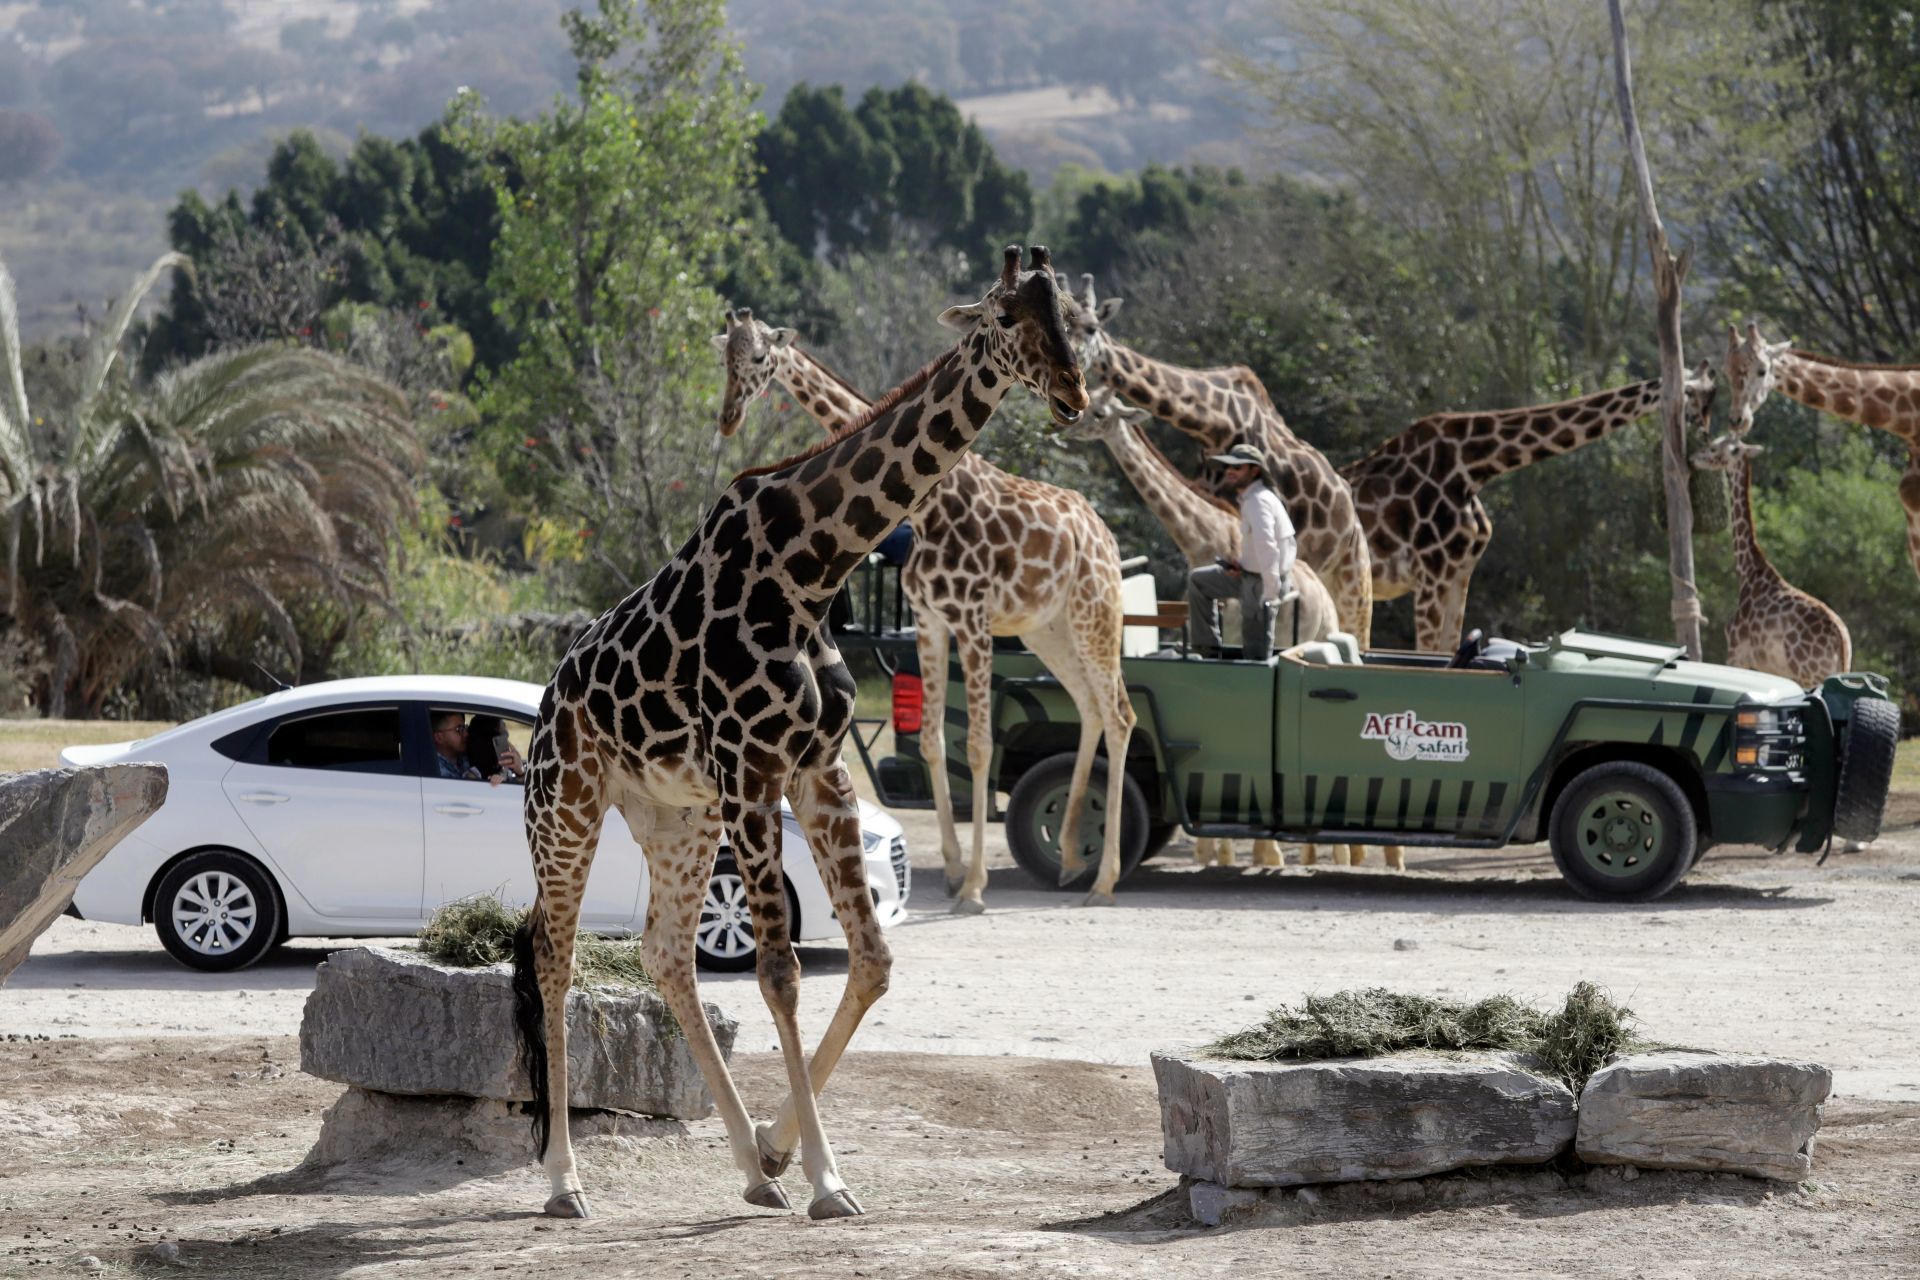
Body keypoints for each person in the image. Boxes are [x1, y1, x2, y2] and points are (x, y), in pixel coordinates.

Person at [1185, 441, 1296, 662]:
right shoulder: (1253, 498)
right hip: (1251, 576)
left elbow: (1268, 546)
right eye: (1228, 467)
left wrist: (1269, 593)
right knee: (1199, 581)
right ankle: (1207, 651)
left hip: (1261, 584)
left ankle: (1254, 682)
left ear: (1254, 471)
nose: (1230, 472)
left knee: (1255, 653)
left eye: (1237, 468)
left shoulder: (1258, 501)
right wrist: (1243, 565)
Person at [430, 710, 523, 786]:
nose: (466, 733)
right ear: (439, 737)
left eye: (465, 727)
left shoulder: (466, 756)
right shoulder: (433, 770)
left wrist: (519, 772)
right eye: (459, 729)